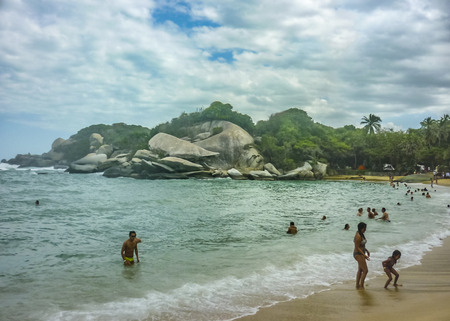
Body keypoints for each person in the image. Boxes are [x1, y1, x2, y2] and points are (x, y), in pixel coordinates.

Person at [353, 222, 370, 289]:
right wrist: (364, 255)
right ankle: (361, 285)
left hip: (361, 253)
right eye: (364, 228)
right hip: (358, 254)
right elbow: (357, 247)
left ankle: (357, 285)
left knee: (360, 270)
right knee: (365, 270)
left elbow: (361, 245)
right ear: (361, 228)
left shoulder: (361, 234)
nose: (365, 229)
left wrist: (366, 250)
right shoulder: (358, 236)